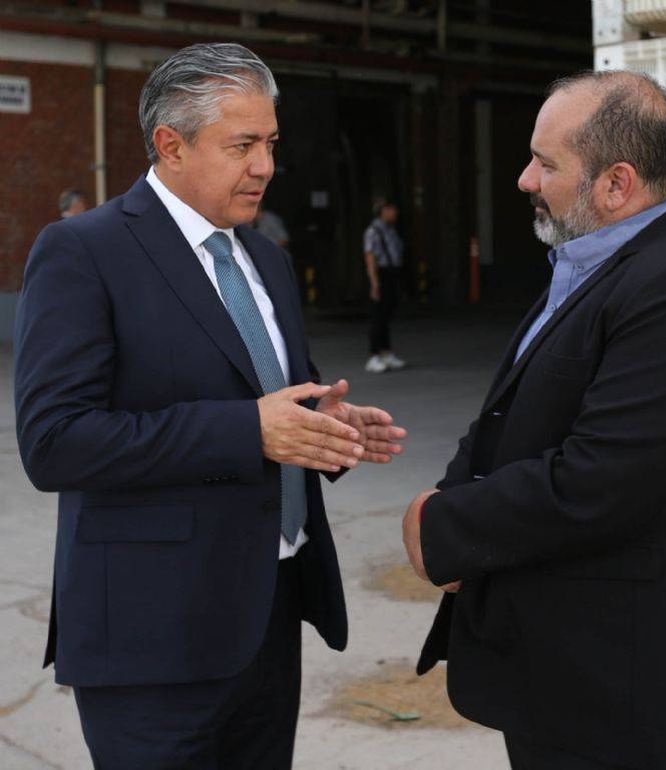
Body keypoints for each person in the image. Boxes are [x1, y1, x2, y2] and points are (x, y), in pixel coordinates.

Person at [15, 42, 406, 770]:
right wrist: (249, 430)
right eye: (243, 145)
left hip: (267, 617)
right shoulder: (85, 252)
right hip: (151, 640)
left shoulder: (267, 259)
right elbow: (54, 441)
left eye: (271, 144)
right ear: (171, 146)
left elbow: (275, 393)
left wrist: (326, 425)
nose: (265, 166)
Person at [403, 70, 666, 770]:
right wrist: (454, 495)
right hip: (565, 674)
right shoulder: (592, 266)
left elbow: (604, 481)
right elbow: (509, 415)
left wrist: (444, 528)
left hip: (625, 693)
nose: (524, 179)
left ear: (616, 183)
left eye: (545, 164)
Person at [364, 197, 406, 373]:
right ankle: (374, 355)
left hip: (391, 272)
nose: (394, 213)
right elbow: (370, 256)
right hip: (380, 273)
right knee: (378, 316)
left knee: (387, 314)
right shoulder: (374, 231)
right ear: (383, 211)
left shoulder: (390, 230)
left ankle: (387, 352)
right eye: (391, 209)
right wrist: (374, 283)